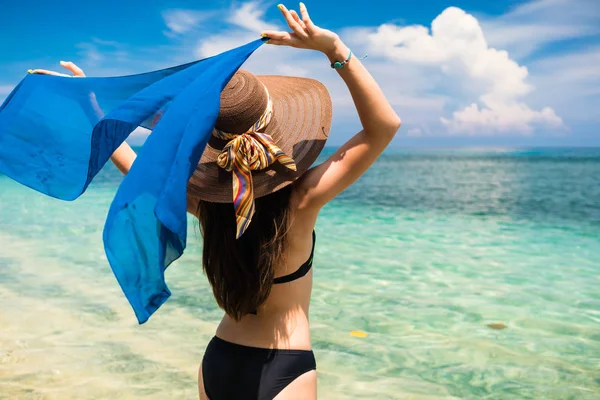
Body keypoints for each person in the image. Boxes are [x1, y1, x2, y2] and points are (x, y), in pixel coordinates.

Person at [31, 3, 400, 399]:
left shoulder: (208, 204)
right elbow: (383, 127)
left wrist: (93, 107)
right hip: (284, 368)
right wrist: (334, 49)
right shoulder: (301, 201)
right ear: (273, 127)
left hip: (218, 360)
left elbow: (135, 168)